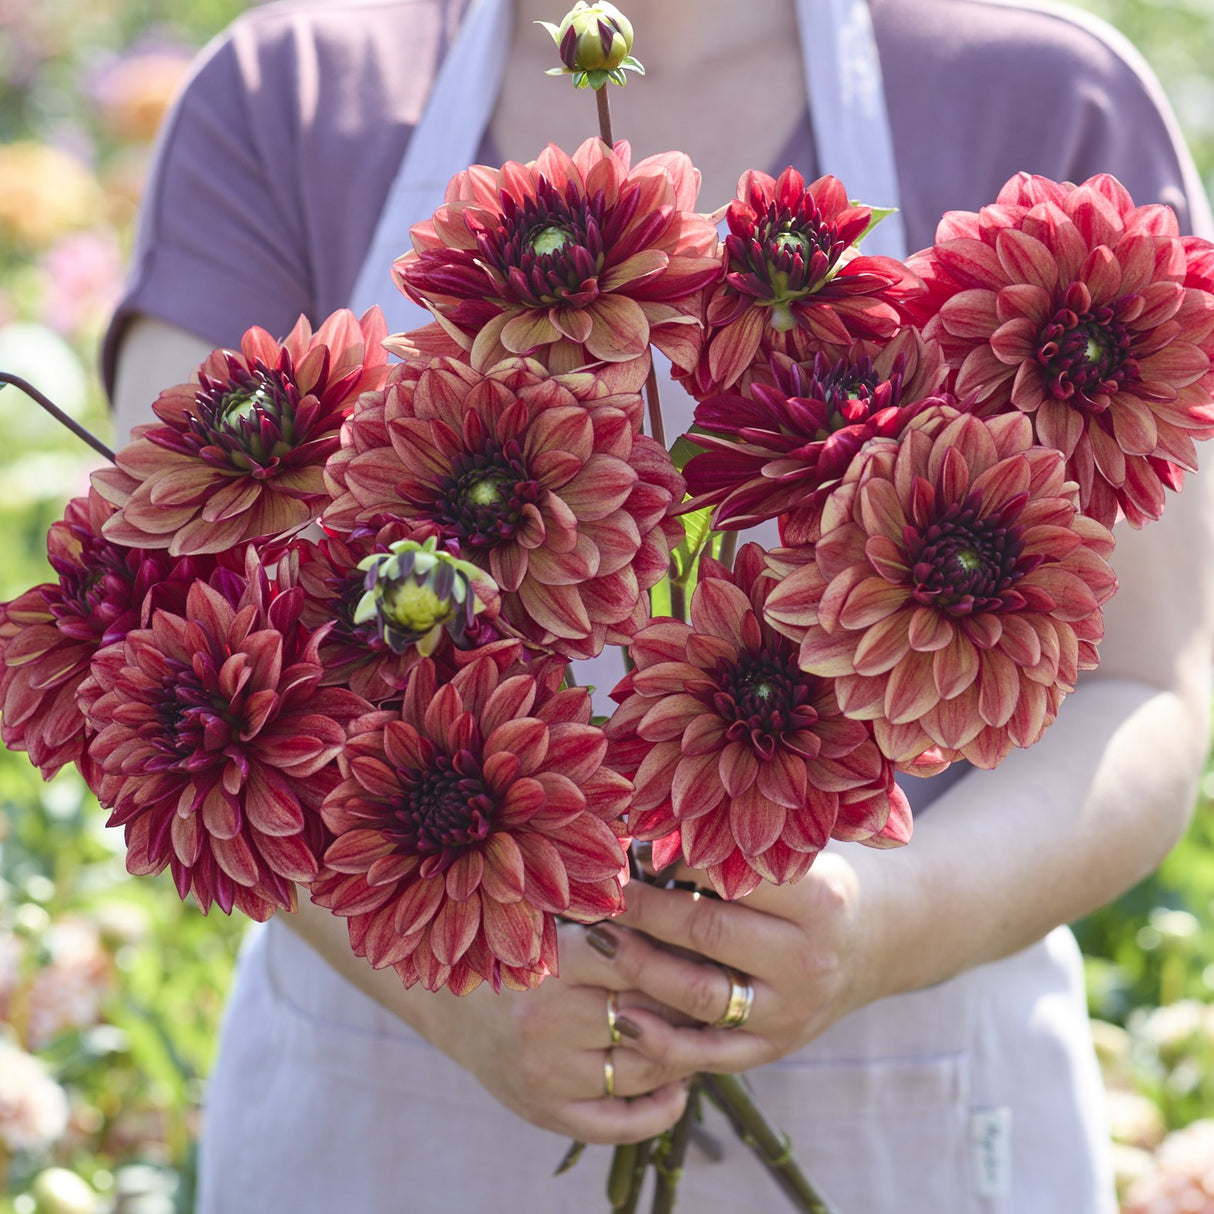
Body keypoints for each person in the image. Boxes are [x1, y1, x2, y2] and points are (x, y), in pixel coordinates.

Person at [104, 0, 1214, 1209]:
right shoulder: (288, 94)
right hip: (392, 1101)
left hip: (906, 1105)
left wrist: (889, 920)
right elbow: (150, 655)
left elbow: (1142, 688)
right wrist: (456, 987)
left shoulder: (1046, 94)